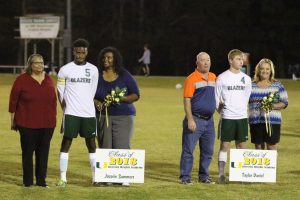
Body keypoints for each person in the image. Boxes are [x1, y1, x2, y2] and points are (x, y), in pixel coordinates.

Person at [9, 54, 56, 187]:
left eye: (42, 62)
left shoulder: (48, 79)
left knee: (43, 153)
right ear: (30, 64)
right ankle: (28, 182)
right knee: (28, 153)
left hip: (47, 124)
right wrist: (13, 120)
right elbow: (13, 101)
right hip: (26, 123)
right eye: (37, 63)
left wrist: (54, 119)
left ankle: (41, 181)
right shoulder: (21, 79)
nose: (40, 65)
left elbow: (53, 101)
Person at [94, 47, 140, 186]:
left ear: (115, 59)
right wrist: (96, 102)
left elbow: (135, 94)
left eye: (109, 57)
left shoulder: (124, 74)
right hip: (103, 116)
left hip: (124, 116)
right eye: (104, 57)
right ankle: (106, 178)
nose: (106, 60)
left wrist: (120, 98)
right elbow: (89, 94)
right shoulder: (96, 75)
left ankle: (124, 177)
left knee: (121, 145)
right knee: (104, 145)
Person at [56, 38, 99, 187]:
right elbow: (60, 91)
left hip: (88, 113)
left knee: (92, 144)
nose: (80, 55)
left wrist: (87, 103)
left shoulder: (93, 70)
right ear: (74, 52)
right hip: (71, 113)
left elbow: (92, 90)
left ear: (86, 53)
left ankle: (95, 177)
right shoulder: (65, 69)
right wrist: (65, 108)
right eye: (78, 52)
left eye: (83, 52)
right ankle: (63, 178)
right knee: (66, 143)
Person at [215, 49, 252, 184]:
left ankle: (241, 176)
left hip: (241, 118)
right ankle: (221, 175)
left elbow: (246, 98)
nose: (241, 61)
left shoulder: (247, 79)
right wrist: (224, 112)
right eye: (238, 59)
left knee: (241, 147)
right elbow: (216, 100)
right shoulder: (222, 78)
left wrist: (242, 111)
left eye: (241, 59)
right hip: (227, 118)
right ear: (230, 60)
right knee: (224, 146)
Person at [179, 52, 216, 185]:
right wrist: (190, 119)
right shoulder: (191, 78)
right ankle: (185, 177)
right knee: (188, 150)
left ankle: (204, 176)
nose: (206, 63)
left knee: (208, 151)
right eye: (202, 60)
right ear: (197, 63)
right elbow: (187, 100)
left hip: (210, 121)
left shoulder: (213, 77)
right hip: (195, 119)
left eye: (208, 60)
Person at [249, 58, 288, 150]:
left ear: (271, 71)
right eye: (262, 68)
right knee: (258, 148)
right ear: (258, 70)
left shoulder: (278, 85)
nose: (265, 71)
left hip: (272, 121)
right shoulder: (251, 85)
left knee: (271, 147)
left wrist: (273, 106)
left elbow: (285, 102)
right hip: (255, 121)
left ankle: (273, 165)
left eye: (267, 69)